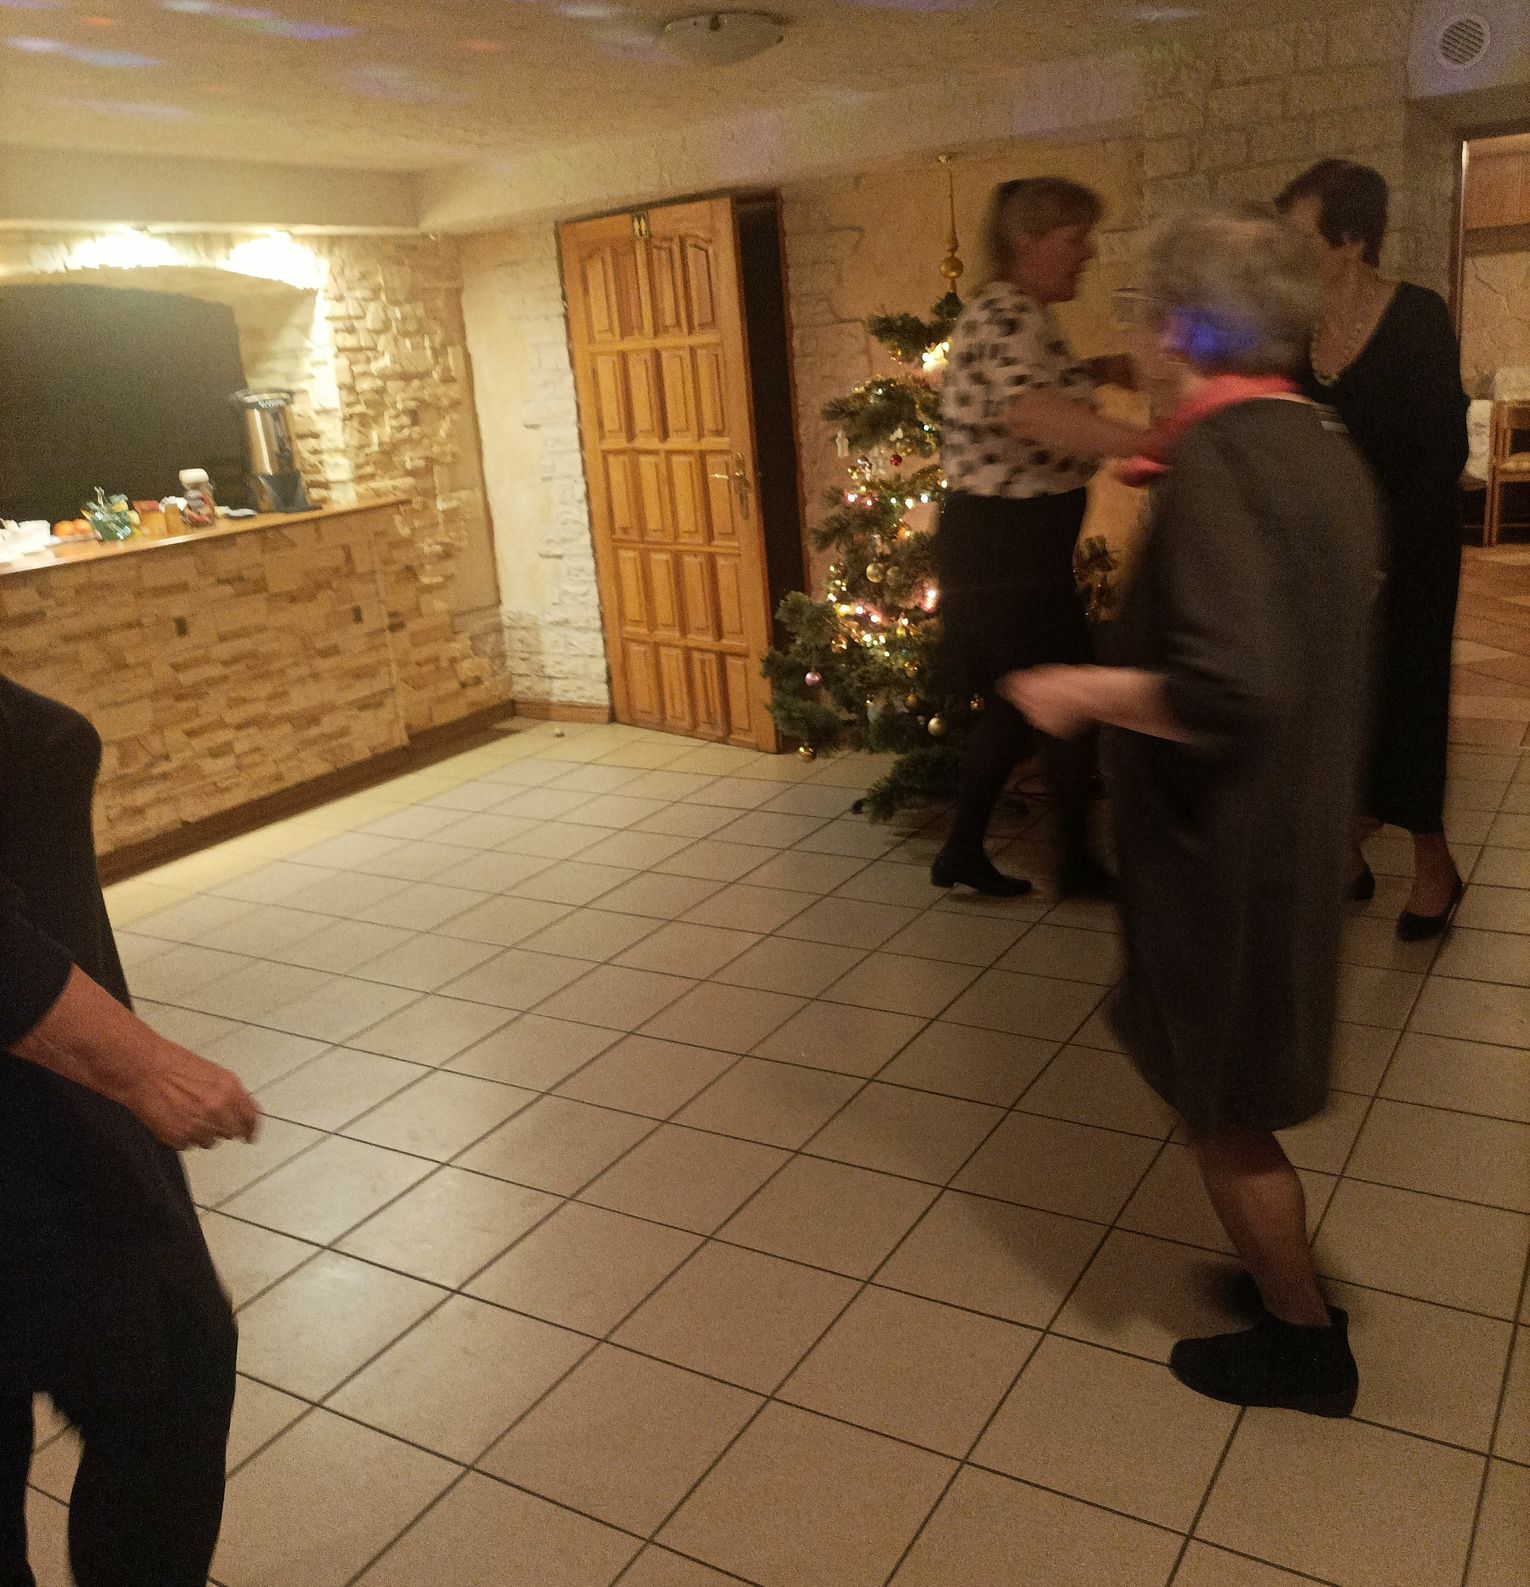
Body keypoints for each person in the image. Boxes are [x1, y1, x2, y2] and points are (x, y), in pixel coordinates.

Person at [1004, 206, 1383, 1415]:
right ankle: (1282, 1282)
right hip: (1290, 829)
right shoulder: (1316, 438)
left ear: (1176, 327)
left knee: (1219, 1107)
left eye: (1145, 315)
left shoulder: (1223, 462)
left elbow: (1234, 686)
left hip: (1226, 850)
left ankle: (1301, 1339)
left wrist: (1082, 689)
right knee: (1233, 1080)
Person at [1, 674, 260, 1586]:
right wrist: (141, 1066)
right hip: (41, 1114)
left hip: (46, 1111)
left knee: (170, 1369)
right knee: (173, 1368)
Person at [931, 176, 1148, 898]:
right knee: (1061, 694)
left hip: (1013, 543)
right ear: (1029, 240)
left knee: (1024, 698)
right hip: (1003, 546)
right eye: (1075, 237)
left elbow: (1025, 392)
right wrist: (1152, 444)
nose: (1088, 253)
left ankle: (967, 851)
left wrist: (1096, 371)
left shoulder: (1022, 316)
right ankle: (1073, 863)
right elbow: (1028, 412)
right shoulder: (1005, 312)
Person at [1276, 159, 1470, 940]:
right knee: (1336, 705)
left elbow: (1442, 451)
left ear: (1351, 240)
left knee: (1409, 700)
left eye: (1300, 239)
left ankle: (1434, 864)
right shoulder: (1296, 332)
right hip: (1331, 556)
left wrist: (1380, 555)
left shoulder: (1417, 316)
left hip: (1414, 548)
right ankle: (1345, 850)